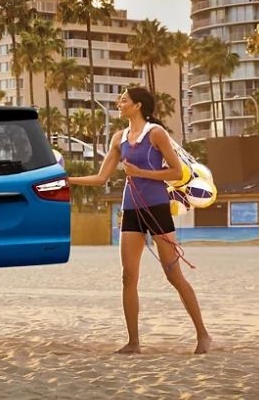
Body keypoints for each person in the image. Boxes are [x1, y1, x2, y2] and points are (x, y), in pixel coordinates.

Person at [68, 87, 212, 355]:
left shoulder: (156, 134)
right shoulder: (118, 138)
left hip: (157, 207)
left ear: (138, 105)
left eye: (124, 100)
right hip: (131, 209)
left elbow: (176, 171)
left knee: (173, 275)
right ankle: (133, 342)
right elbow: (101, 178)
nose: (119, 103)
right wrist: (68, 181)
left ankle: (203, 334)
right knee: (128, 277)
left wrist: (141, 172)